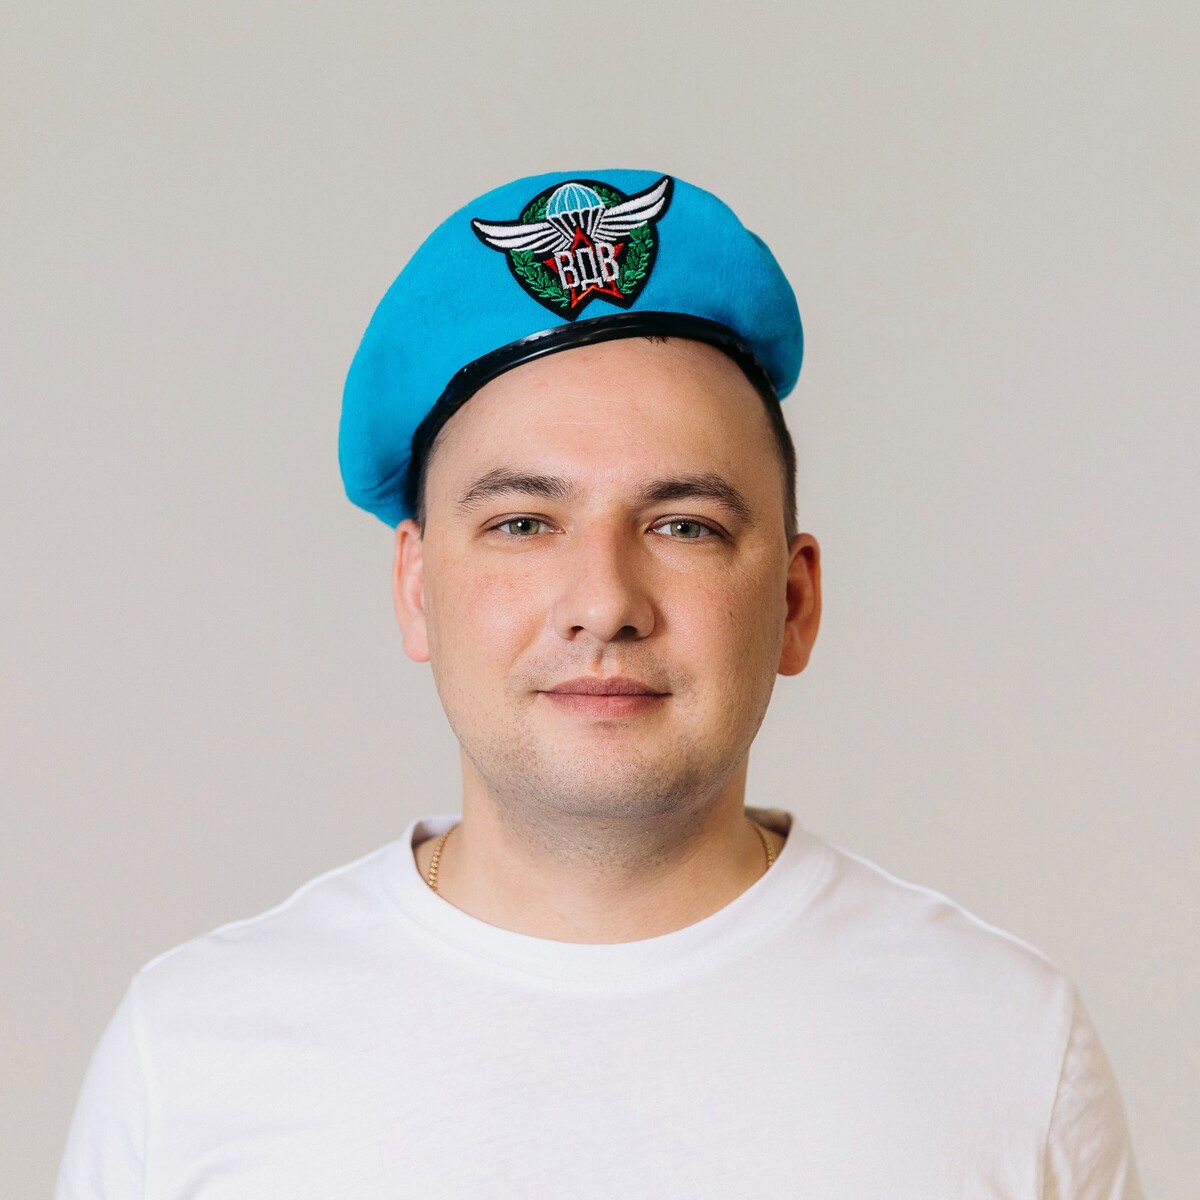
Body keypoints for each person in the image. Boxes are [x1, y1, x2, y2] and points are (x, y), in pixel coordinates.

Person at [57, 170, 1142, 1198]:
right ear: (417, 590)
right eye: (523, 523)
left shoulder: (1006, 1044)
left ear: (794, 601)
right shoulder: (190, 1054)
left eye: (684, 525)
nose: (605, 602)